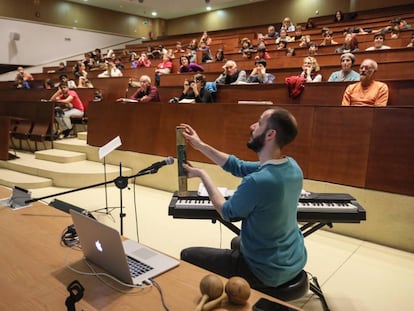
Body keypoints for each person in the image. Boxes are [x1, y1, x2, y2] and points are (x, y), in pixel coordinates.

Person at [179, 107, 307, 294]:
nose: (252, 126)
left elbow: (227, 212)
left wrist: (202, 174)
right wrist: (200, 145)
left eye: (259, 122)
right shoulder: (292, 167)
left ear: (270, 134)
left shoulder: (258, 181)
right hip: (294, 259)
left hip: (266, 271)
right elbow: (236, 165)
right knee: (237, 241)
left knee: (188, 254)